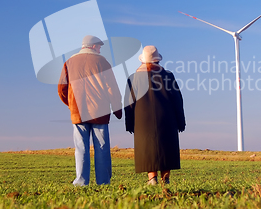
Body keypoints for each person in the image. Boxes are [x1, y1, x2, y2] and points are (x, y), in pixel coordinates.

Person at [58, 35, 122, 186]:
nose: (100, 49)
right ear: (93, 46)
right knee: (102, 148)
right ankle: (103, 182)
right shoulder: (102, 62)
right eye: (99, 46)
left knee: (81, 147)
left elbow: (62, 88)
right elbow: (111, 87)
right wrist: (117, 109)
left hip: (78, 112)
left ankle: (81, 182)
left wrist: (70, 103)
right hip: (100, 111)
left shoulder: (69, 62)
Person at [124, 45, 186, 185]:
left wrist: (129, 123)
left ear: (142, 61)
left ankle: (152, 179)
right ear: (158, 61)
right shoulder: (168, 76)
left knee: (148, 148)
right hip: (167, 119)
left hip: (142, 121)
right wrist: (181, 121)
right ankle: (166, 179)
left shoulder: (133, 78)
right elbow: (177, 100)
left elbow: (129, 103)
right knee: (166, 147)